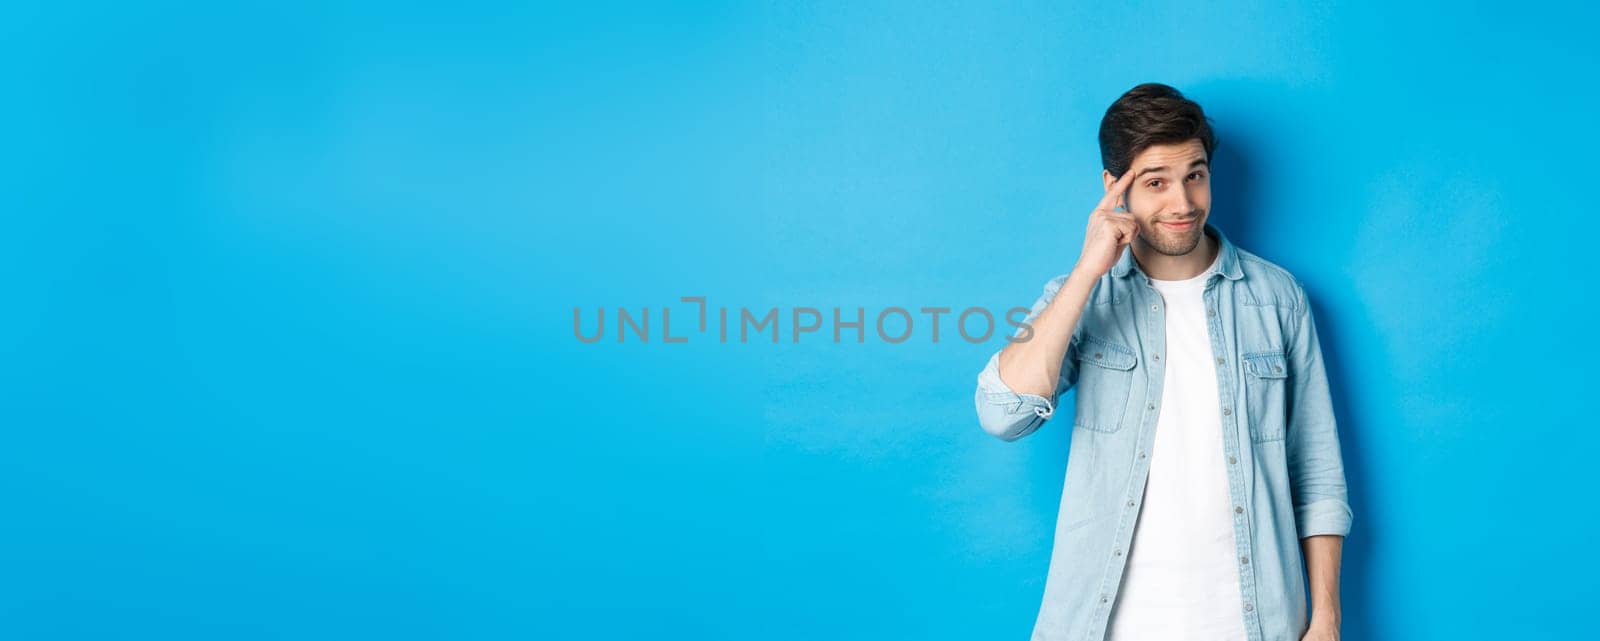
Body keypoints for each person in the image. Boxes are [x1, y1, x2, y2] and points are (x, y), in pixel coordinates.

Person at [973, 83, 1351, 641]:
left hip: (1257, 621)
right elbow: (1001, 414)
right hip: (1108, 625)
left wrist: (1326, 619)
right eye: (1156, 182)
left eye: (1195, 175)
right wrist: (1085, 273)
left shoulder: (1277, 299)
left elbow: (1317, 474)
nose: (1183, 203)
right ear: (1114, 188)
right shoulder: (1080, 296)